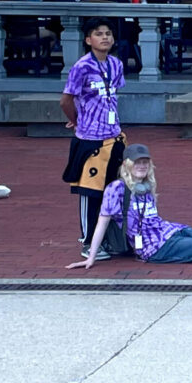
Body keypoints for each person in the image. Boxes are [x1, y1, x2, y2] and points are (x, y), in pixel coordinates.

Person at [60, 19, 127, 256]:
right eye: (98, 34)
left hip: (114, 136)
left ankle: (112, 239)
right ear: (89, 40)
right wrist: (77, 120)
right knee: (91, 192)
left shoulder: (116, 64)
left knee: (115, 188)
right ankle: (88, 242)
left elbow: (113, 93)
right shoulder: (81, 67)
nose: (105, 38)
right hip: (90, 139)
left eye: (108, 33)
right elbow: (66, 99)